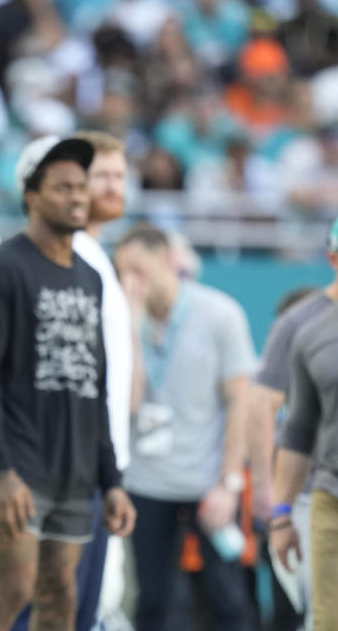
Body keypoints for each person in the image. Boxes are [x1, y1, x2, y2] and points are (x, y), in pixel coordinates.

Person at [0, 135, 135, 631]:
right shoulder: (1, 269)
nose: (78, 196)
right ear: (31, 195)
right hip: (17, 467)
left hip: (77, 472)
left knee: (61, 599)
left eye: (82, 186)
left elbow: (96, 385)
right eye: (62, 187)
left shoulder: (91, 277)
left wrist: (112, 481)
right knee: (12, 589)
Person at [12, 130, 133, 631]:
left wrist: (113, 470)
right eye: (95, 176)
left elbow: (111, 376)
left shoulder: (97, 262)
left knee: (83, 609)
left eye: (117, 176)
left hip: (97, 464)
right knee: (39, 603)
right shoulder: (54, 259)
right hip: (53, 466)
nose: (106, 187)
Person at [114, 223, 256, 631]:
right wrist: (132, 330)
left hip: (208, 482)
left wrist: (229, 484)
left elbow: (240, 402)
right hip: (147, 483)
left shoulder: (219, 313)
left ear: (167, 262)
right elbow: (131, 404)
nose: (131, 283)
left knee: (228, 599)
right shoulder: (126, 321)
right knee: (152, 603)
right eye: (124, 273)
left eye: (138, 270)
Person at [270, 223, 338, 631]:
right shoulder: (310, 335)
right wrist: (281, 515)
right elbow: (298, 430)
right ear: (333, 259)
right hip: (331, 499)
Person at [249, 282, 327, 630]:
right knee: (307, 613)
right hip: (310, 499)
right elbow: (294, 433)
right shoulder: (298, 329)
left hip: (307, 498)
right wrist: (278, 507)